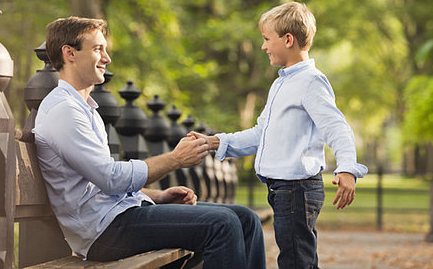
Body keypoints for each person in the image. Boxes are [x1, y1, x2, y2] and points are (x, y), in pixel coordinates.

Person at [33, 16, 266, 269]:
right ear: (70, 54)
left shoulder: (83, 108)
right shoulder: (64, 111)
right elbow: (108, 178)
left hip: (119, 215)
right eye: (98, 49)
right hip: (103, 231)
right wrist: (175, 159)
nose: (107, 58)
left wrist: (159, 195)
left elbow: (97, 184)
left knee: (245, 218)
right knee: (223, 224)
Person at [189, 1, 368, 269]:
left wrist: (347, 168)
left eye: (266, 39)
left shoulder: (310, 81)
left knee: (295, 261)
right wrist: (216, 142)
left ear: (288, 40)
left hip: (297, 188)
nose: (263, 46)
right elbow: (262, 133)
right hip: (284, 190)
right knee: (299, 260)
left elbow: (337, 127)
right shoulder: (281, 83)